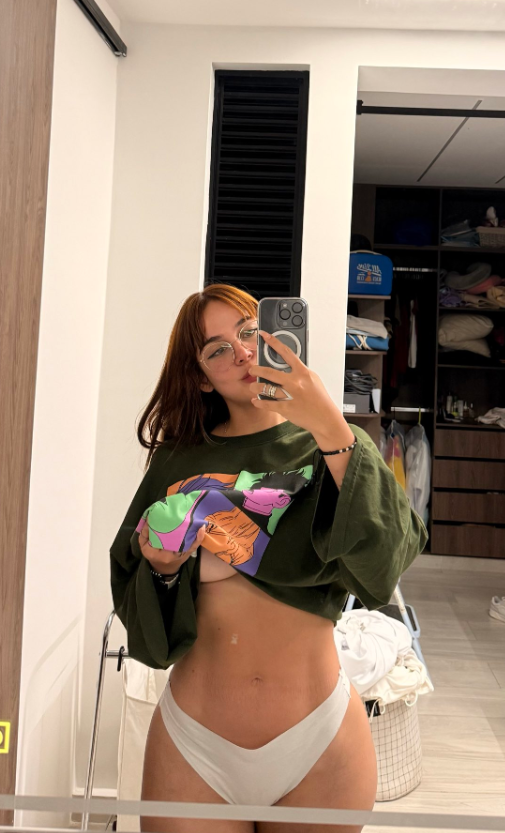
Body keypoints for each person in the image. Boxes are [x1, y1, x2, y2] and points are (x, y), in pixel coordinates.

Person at [109, 284, 428, 833]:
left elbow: (385, 561)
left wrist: (330, 425)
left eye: (250, 333)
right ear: (201, 377)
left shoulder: (334, 444)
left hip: (320, 739)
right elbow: (143, 619)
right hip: (194, 743)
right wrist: (163, 570)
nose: (242, 353)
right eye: (217, 350)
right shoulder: (178, 460)